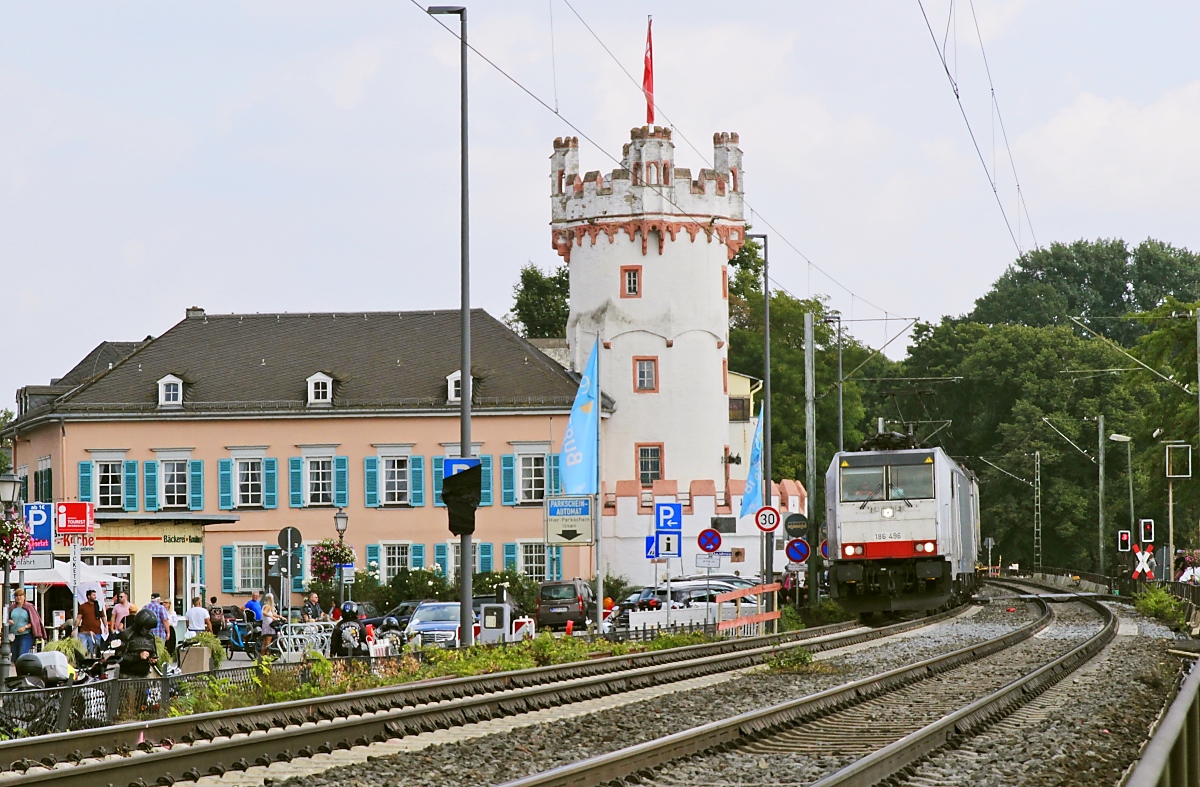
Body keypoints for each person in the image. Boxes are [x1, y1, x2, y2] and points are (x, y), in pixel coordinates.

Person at [118, 608, 159, 678]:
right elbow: (119, 657)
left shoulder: (150, 637)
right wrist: (138, 656)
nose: (149, 630)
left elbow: (153, 652)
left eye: (150, 628)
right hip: (128, 676)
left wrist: (153, 659)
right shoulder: (126, 635)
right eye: (147, 628)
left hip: (145, 676)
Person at [8, 589, 45, 660]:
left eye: (20, 595)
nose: (18, 597)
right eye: (16, 596)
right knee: (15, 657)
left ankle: (23, 670)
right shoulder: (12, 607)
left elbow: (35, 621)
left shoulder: (29, 607)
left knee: (22, 655)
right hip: (14, 636)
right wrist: (9, 621)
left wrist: (25, 627)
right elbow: (6, 618)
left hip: (26, 635)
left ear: (24, 597)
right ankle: (18, 670)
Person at [76, 588, 105, 657]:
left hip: (96, 631)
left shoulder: (98, 606)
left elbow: (103, 617)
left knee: (95, 650)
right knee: (83, 650)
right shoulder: (83, 606)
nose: (95, 597)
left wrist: (106, 626)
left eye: (95, 595)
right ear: (89, 596)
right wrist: (75, 628)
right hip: (84, 631)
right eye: (93, 595)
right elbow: (78, 618)